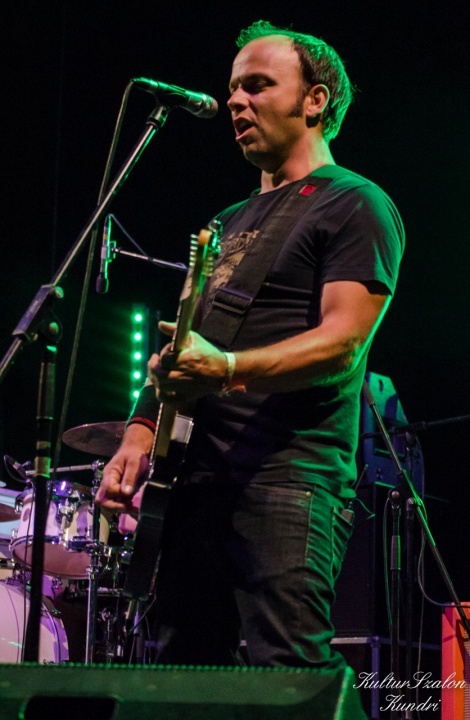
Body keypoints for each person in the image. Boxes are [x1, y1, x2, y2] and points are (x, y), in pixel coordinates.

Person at [96, 20, 404, 669]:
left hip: (288, 482)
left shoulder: (356, 204)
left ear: (314, 100)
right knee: (183, 679)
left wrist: (228, 367)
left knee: (288, 676)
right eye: (234, 88)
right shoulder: (222, 223)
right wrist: (138, 432)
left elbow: (343, 343)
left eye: (258, 85)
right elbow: (184, 351)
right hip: (194, 485)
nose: (236, 100)